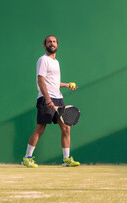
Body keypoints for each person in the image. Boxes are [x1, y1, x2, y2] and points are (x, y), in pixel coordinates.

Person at [23, 35, 80, 168]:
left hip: (58, 98)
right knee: (40, 128)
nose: (52, 44)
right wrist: (47, 99)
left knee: (66, 127)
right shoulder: (43, 60)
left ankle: (66, 159)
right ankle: (27, 157)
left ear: (57, 45)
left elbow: (53, 82)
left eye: (54, 42)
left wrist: (66, 85)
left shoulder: (56, 62)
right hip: (46, 98)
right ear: (45, 45)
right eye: (49, 42)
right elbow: (41, 80)